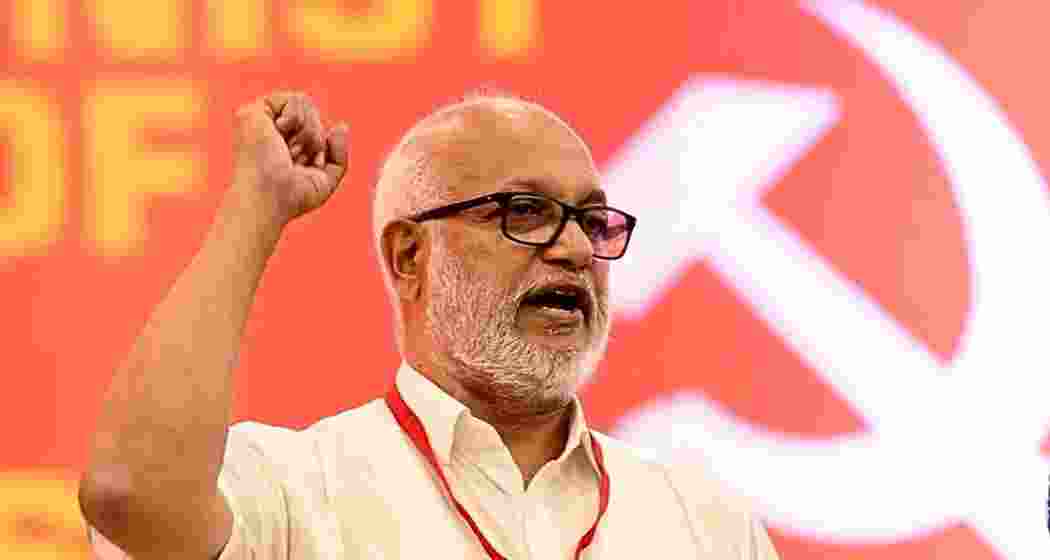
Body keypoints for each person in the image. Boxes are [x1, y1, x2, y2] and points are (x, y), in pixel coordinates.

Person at [79, 90, 780, 559]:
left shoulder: (708, 525)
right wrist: (256, 208)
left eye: (591, 221)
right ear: (411, 257)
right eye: (524, 212)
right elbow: (129, 496)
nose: (573, 248)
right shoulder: (294, 491)